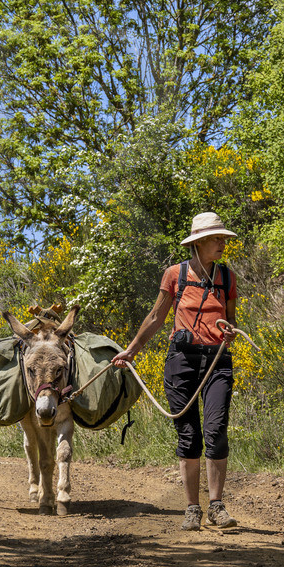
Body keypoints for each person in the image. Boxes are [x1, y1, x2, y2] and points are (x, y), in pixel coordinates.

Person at [111, 211, 240, 531]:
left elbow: (232, 318)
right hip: (181, 361)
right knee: (189, 436)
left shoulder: (227, 277)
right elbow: (156, 317)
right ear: (198, 243)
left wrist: (230, 331)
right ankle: (193, 508)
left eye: (223, 238)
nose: (222, 243)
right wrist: (131, 350)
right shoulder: (175, 275)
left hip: (217, 361)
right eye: (216, 238)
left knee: (216, 430)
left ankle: (217, 506)